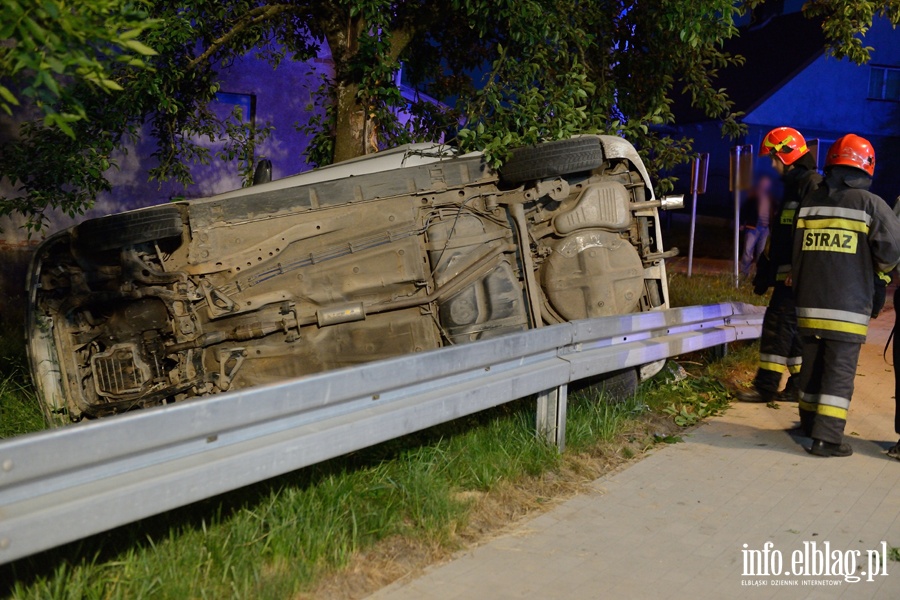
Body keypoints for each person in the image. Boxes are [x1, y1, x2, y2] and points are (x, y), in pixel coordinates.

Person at [792, 134, 900, 457]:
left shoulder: (810, 202)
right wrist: (879, 274)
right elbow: (891, 250)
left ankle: (808, 426)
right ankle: (826, 439)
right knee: (838, 375)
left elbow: (798, 253)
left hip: (808, 304)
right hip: (847, 309)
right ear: (865, 168)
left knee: (810, 369)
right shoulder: (871, 205)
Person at [737, 127, 820, 404]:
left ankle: (765, 386)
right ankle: (797, 385)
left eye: (774, 159)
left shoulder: (810, 184)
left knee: (776, 327)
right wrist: (766, 268)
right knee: (792, 330)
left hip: (798, 277)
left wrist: (800, 270)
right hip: (788, 276)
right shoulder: (791, 187)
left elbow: (810, 234)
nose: (771, 165)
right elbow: (780, 234)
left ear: (787, 155)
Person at [739, 174, 774, 278]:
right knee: (747, 252)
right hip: (753, 228)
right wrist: (741, 223)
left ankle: (758, 277)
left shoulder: (770, 198)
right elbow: (744, 210)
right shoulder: (753, 197)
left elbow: (773, 212)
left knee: (761, 254)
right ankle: (743, 275)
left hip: (765, 229)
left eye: (767, 184)